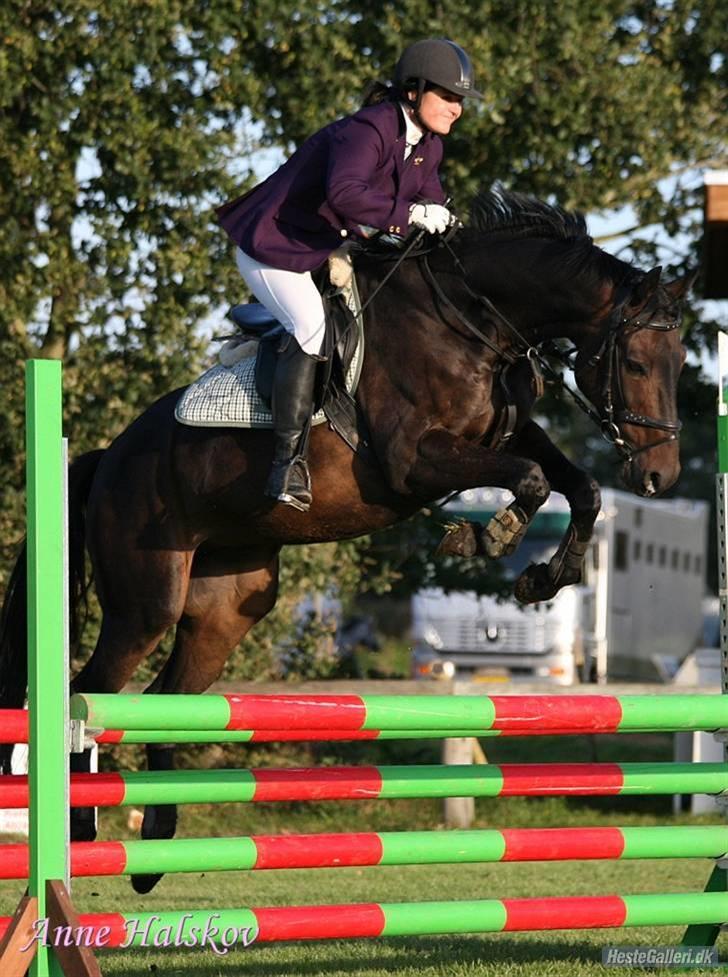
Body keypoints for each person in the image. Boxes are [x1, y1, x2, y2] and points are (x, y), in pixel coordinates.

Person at [216, 38, 483, 512]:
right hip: (275, 247)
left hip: (326, 247)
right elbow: (345, 194)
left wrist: (452, 230)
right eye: (447, 96)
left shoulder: (429, 146)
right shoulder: (369, 128)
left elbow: (432, 202)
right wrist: (412, 215)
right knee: (313, 329)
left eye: (459, 99)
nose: (456, 108)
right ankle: (286, 465)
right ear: (413, 91)